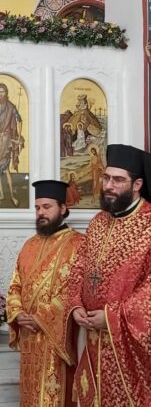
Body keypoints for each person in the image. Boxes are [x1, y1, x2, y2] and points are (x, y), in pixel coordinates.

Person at [68, 144, 151, 406]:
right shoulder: (98, 222)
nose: (108, 186)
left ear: (137, 184)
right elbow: (79, 267)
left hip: (128, 346)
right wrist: (75, 305)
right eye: (106, 178)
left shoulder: (149, 223)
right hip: (91, 338)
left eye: (118, 180)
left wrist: (113, 317)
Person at [6, 180, 82, 407]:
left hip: (56, 340)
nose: (41, 212)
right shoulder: (29, 245)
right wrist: (17, 313)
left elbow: (76, 291)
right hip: (29, 338)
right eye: (37, 207)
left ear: (63, 208)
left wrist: (41, 317)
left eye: (47, 207)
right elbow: (15, 284)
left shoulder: (79, 244)